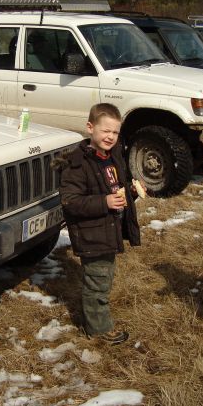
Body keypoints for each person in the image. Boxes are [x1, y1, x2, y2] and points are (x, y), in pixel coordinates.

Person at [56, 103, 141, 345]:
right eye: (105, 131)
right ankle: (98, 329)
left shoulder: (112, 157)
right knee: (97, 283)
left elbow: (115, 189)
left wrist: (130, 193)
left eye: (115, 132)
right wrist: (104, 202)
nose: (110, 137)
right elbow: (70, 202)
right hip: (92, 234)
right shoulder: (77, 164)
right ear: (90, 127)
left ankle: (98, 322)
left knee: (103, 276)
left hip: (108, 230)